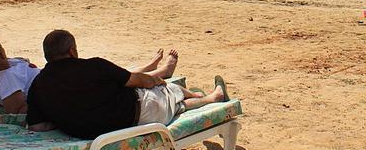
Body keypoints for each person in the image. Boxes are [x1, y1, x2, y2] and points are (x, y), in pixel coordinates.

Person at [26, 30, 229, 138]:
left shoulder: (38, 85)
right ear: (72, 50)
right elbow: (139, 81)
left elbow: (37, 126)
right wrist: (155, 81)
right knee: (169, 90)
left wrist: (65, 116)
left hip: (89, 132)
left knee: (168, 101)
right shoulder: (94, 66)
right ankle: (209, 97)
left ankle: (193, 96)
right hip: (134, 116)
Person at [0, 37, 179, 115]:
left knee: (110, 72)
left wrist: (25, 68)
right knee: (109, 78)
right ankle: (161, 73)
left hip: (54, 77)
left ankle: (151, 67)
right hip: (58, 84)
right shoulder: (5, 79)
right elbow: (16, 109)